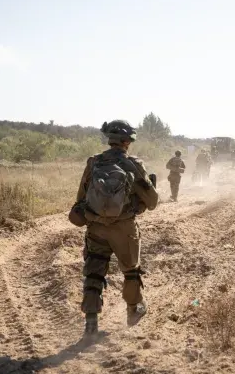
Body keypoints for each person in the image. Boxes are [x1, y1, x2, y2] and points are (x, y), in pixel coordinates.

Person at [74, 120, 159, 335]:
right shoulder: (134, 164)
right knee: (131, 271)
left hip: (96, 228)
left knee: (94, 272)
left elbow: (81, 198)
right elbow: (152, 201)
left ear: (109, 140)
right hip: (124, 228)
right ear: (127, 141)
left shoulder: (94, 162)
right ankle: (134, 309)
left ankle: (91, 324)